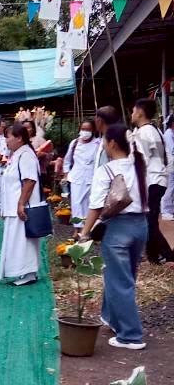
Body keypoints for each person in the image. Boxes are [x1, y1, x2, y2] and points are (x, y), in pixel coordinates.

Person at [79, 124, 149, 350]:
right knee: (125, 277)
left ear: (112, 144)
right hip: (140, 226)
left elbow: (96, 206)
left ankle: (131, 335)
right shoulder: (139, 165)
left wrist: (84, 233)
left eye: (104, 141)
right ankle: (112, 318)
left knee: (119, 282)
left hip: (118, 229)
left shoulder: (106, 170)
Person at [0, 122, 42, 286]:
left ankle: (28, 273)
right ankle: (23, 272)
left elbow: (29, 181)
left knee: (23, 240)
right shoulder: (17, 154)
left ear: (19, 138)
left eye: (8, 137)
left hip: (22, 206)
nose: (6, 141)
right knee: (18, 240)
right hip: (13, 205)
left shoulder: (26, 155)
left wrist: (21, 204)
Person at [130, 98, 173, 264]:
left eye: (133, 111)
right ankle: (156, 255)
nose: (132, 114)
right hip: (158, 178)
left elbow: (142, 160)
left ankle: (164, 254)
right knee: (150, 220)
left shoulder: (145, 132)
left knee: (149, 221)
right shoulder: (154, 130)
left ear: (140, 112)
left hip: (153, 180)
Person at [62, 119, 98, 224]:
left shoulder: (98, 143)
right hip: (76, 178)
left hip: (92, 178)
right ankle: (76, 227)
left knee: (89, 204)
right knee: (76, 204)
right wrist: (66, 175)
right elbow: (67, 161)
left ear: (93, 130)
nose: (85, 132)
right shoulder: (75, 143)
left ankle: (87, 228)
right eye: (83, 129)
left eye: (88, 129)